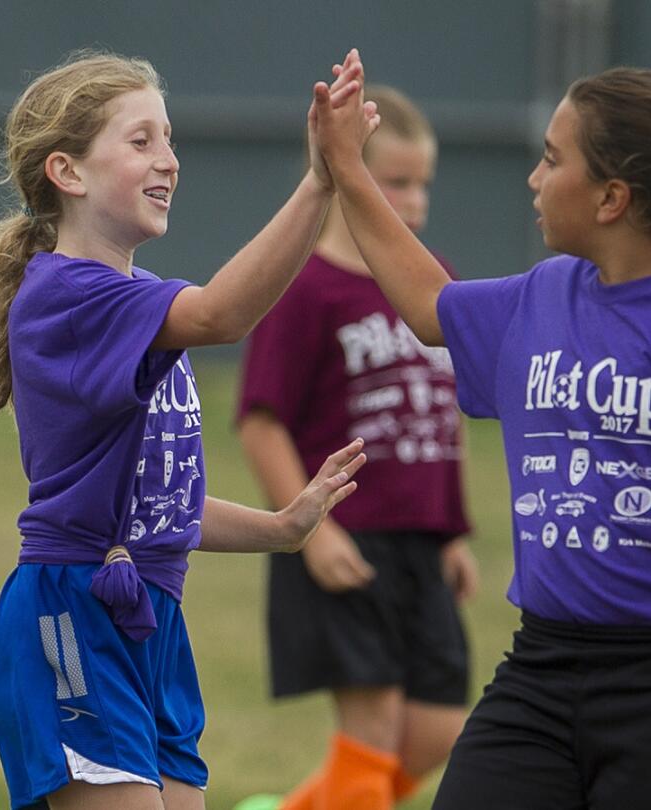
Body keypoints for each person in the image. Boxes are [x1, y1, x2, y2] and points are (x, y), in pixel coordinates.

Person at [312, 54, 651, 809]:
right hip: (544, 669)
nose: (534, 179)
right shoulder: (545, 295)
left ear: (613, 196)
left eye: (553, 160)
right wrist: (348, 168)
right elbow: (427, 305)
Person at [0, 49, 380, 810]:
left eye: (169, 139)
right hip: (72, 613)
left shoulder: (132, 300)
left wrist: (282, 526)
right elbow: (222, 315)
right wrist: (320, 182)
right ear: (67, 172)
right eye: (140, 141)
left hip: (148, 621)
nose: (168, 160)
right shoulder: (72, 294)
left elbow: (156, 512)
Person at [234, 86, 478, 810]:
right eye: (395, 181)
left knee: (435, 731)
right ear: (347, 176)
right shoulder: (305, 287)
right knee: (370, 731)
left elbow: (440, 418)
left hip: (421, 547)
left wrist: (453, 532)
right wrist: (311, 532)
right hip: (346, 540)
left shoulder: (433, 285)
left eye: (422, 183)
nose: (415, 199)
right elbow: (259, 420)